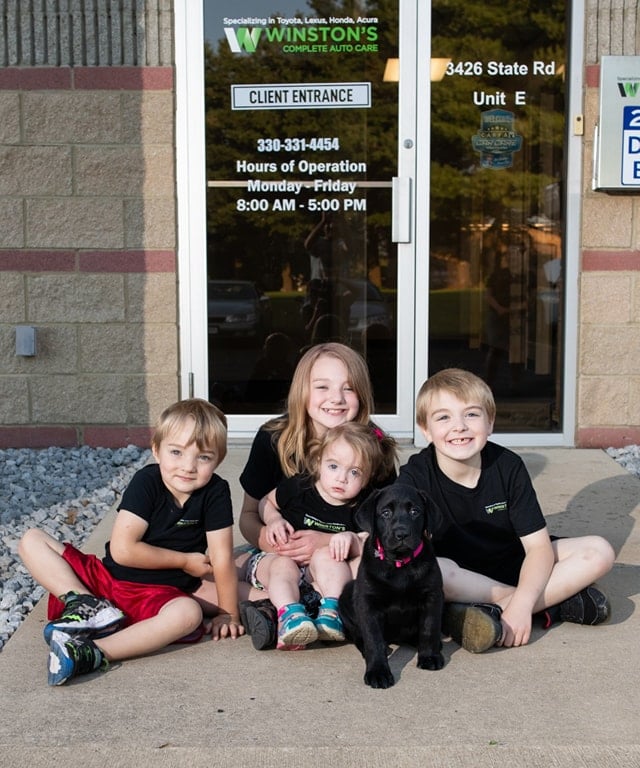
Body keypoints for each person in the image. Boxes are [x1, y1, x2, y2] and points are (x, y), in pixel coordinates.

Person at [18, 398, 244, 686]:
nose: (188, 466)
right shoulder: (147, 481)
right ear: (156, 451)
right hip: (106, 582)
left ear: (219, 460)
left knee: (189, 613)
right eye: (176, 452)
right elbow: (124, 551)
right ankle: (84, 604)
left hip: (160, 593)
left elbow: (222, 558)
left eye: (203, 457)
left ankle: (89, 653)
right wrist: (185, 561)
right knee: (32, 539)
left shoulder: (215, 492)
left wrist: (228, 614)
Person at [397, 368, 615, 653]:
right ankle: (555, 604)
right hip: (458, 579)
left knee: (599, 551)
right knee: (434, 571)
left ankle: (486, 613)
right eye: (443, 417)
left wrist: (522, 605)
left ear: (490, 423)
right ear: (425, 429)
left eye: (472, 414)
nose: (459, 426)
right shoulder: (415, 477)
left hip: (515, 565)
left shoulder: (508, 466)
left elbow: (537, 548)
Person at [236, 342, 397, 648]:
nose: (336, 399)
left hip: (344, 556)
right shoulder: (273, 438)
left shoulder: (373, 448)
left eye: (348, 389)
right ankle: (294, 610)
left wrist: (324, 543)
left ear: (362, 396)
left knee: (378, 571)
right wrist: (277, 543)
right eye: (322, 386)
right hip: (281, 553)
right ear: (302, 391)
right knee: (225, 569)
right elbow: (249, 515)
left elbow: (386, 532)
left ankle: (278, 611)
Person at [247, 422, 387, 650]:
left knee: (331, 558)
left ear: (368, 476)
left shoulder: (364, 504)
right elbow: (266, 502)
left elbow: (373, 539)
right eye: (333, 466)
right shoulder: (300, 487)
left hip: (322, 577)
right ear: (318, 461)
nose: (342, 478)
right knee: (283, 566)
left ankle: (331, 613)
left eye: (354, 472)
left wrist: (352, 537)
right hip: (283, 562)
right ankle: (289, 616)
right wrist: (274, 520)